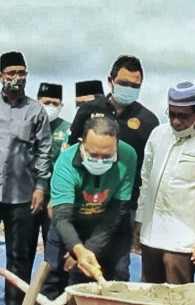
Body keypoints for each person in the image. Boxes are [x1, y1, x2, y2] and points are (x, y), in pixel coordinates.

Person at [68, 55, 160, 280]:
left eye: (135, 86)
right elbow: (71, 154)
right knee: (81, 267)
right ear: (111, 81)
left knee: (118, 269)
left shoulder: (148, 121)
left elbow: (148, 171)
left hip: (123, 206)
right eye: (124, 84)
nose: (129, 89)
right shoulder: (89, 110)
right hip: (85, 202)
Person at [135, 81, 195, 284]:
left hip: (184, 242)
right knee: (147, 297)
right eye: (172, 115)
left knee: (177, 298)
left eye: (183, 116)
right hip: (151, 234)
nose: (176, 121)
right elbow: (146, 182)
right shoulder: (158, 135)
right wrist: (140, 219)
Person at [0, 52, 52, 305]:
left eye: (21, 73)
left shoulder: (36, 111)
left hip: (23, 197)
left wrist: (41, 186)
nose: (17, 78)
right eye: (11, 73)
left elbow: (44, 150)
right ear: (1, 77)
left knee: (20, 260)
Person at [41, 115, 138, 300]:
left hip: (108, 224)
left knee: (117, 277)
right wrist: (78, 250)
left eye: (108, 156)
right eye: (93, 155)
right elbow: (61, 217)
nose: (100, 161)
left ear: (117, 145)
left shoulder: (128, 156)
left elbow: (116, 212)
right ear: (81, 143)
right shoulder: (65, 163)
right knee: (53, 278)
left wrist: (89, 249)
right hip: (71, 223)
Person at [31, 82, 72, 258]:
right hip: (30, 196)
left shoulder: (68, 129)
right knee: (23, 250)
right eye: (46, 102)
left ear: (62, 106)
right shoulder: (28, 126)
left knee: (54, 250)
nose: (51, 107)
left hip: (54, 199)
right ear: (37, 101)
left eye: (55, 104)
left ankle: (50, 285)